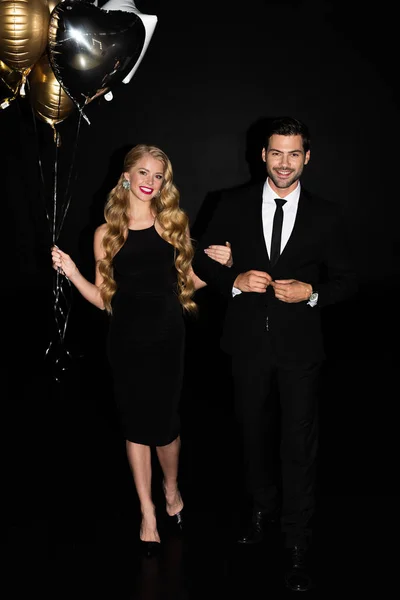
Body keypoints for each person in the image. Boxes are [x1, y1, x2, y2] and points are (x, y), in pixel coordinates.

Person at [192, 116, 358, 591]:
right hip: (245, 344)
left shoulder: (328, 214)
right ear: (262, 155)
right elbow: (203, 257)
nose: (284, 163)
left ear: (307, 157)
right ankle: (261, 509)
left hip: (300, 349)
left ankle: (297, 536)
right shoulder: (230, 203)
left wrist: (311, 292)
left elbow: (348, 281)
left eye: (294, 154)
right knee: (251, 434)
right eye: (276, 153)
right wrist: (235, 282)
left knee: (298, 443)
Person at [51, 144, 232, 558]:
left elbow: (189, 285)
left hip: (167, 337)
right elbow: (102, 299)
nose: (151, 182)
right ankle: (148, 512)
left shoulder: (173, 225)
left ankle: (171, 489)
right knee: (136, 426)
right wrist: (73, 272)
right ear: (126, 177)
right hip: (126, 341)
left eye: (159, 176)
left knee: (165, 428)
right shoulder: (105, 233)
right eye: (144, 173)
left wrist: (219, 266)